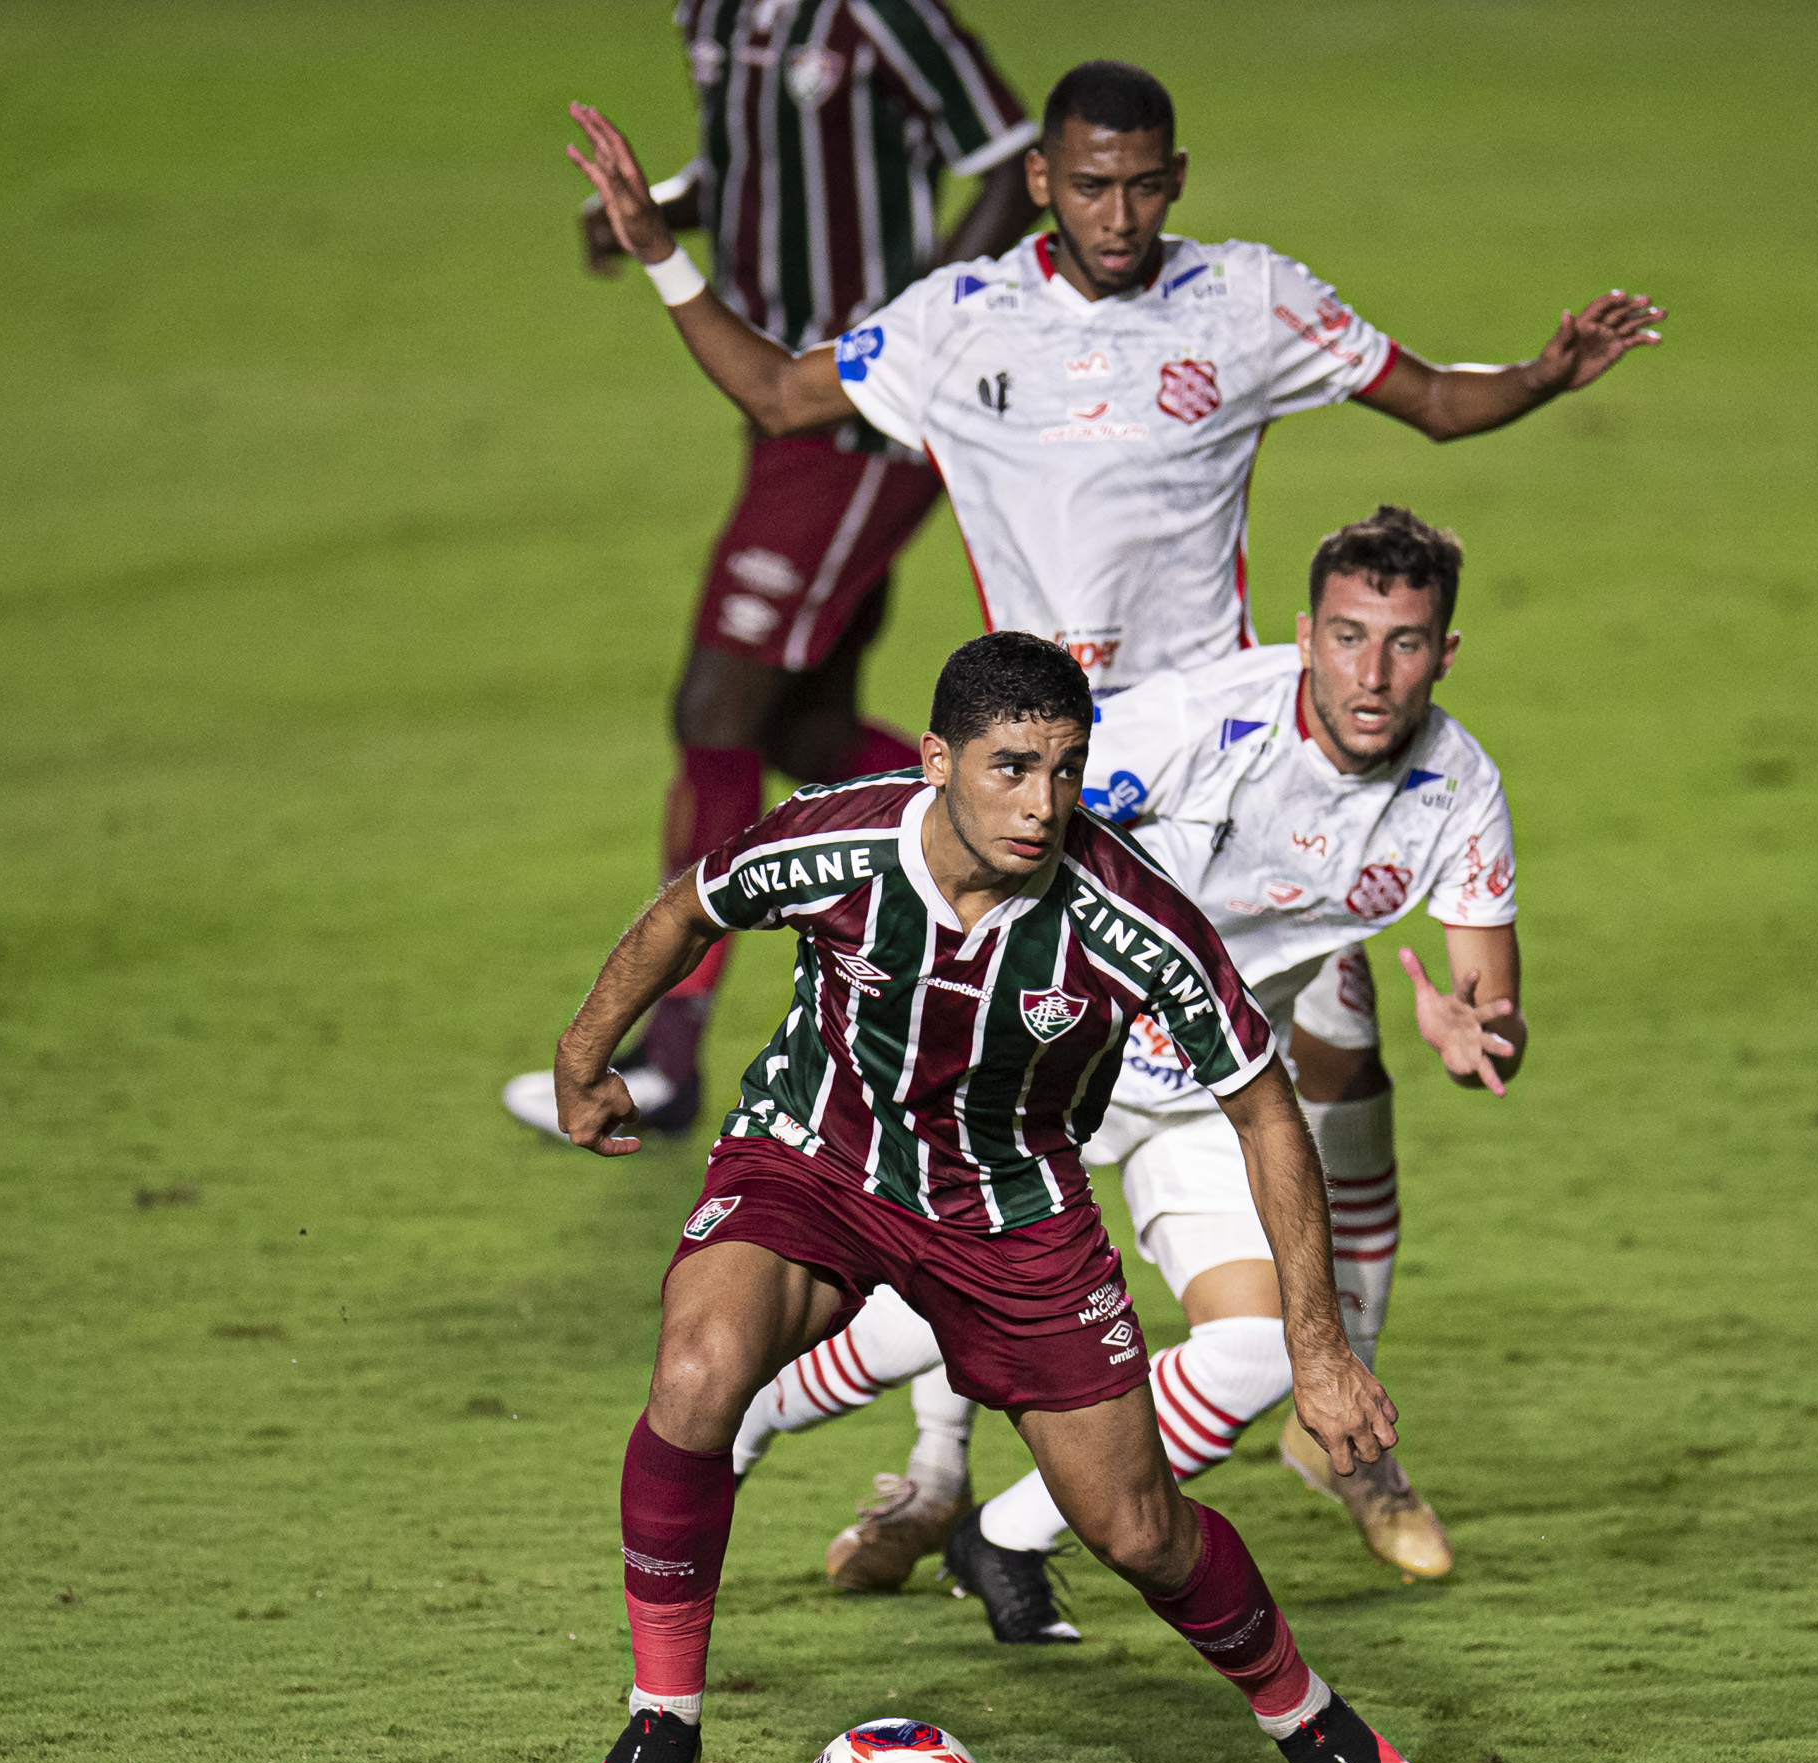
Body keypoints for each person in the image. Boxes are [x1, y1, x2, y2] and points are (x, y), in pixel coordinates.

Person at [566, 56, 1659, 1568]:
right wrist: (663, 249)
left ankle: (1343, 1431)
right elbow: (772, 387)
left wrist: (1541, 375)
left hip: (1248, 783)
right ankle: (945, 1473)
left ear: (1179, 177)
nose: (1122, 213)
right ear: (1041, 182)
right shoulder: (958, 322)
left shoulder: (1249, 303)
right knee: (985, 1138)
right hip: (1055, 791)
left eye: (1147, 184)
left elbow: (1429, 403)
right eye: (1093, 185)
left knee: (1336, 1094)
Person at [552, 632, 1428, 1763]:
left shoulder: (1129, 915)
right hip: (817, 1155)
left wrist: (1320, 1346)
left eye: (1067, 770)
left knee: (1135, 1528)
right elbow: (683, 912)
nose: (1044, 804)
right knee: (697, 1374)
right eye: (1012, 767)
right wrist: (581, 1061)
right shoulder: (832, 840)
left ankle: (1306, 1712)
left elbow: (1266, 1110)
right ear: (937, 760)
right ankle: (662, 1723)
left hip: (1012, 1210)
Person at [733, 509, 1525, 1634]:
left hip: (1216, 1092)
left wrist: (1476, 1032)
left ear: (1444, 652)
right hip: (1053, 1069)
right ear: (1305, 635)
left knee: (1260, 1349)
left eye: (1405, 643)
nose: (1373, 672)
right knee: (922, 1325)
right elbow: (984, 831)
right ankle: (744, 1427)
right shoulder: (1194, 726)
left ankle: (1003, 1531)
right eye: (1350, 636)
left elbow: (1495, 1001)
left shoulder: (1461, 789)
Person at [500, 0, 1041, 1139]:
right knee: (803, 732)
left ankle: (672, 1054)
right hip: (774, 395)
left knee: (715, 709)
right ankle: (1061, 856)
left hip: (858, 418)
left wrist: (915, 332)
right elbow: (759, 158)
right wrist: (669, 212)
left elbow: (1009, 156)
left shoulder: (882, 15)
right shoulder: (716, 10)